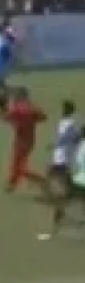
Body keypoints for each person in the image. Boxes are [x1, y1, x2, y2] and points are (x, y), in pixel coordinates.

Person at [39, 100, 82, 241]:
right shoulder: (65, 123)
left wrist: (56, 144)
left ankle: (58, 218)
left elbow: (69, 137)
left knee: (59, 194)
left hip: (62, 162)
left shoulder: (69, 124)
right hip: (63, 163)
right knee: (57, 190)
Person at [2, 87, 47, 193]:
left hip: (20, 140)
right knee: (17, 162)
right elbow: (43, 117)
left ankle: (39, 179)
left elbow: (6, 117)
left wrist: (10, 114)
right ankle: (11, 185)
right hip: (30, 140)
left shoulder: (16, 109)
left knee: (19, 166)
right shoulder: (32, 107)